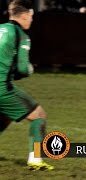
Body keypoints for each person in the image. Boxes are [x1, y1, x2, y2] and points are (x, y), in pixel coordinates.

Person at [0, 0, 54, 170]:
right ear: (23, 15)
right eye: (31, 16)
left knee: (5, 116)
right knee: (38, 116)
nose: (31, 20)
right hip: (2, 88)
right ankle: (36, 160)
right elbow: (23, 69)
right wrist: (29, 69)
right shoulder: (21, 35)